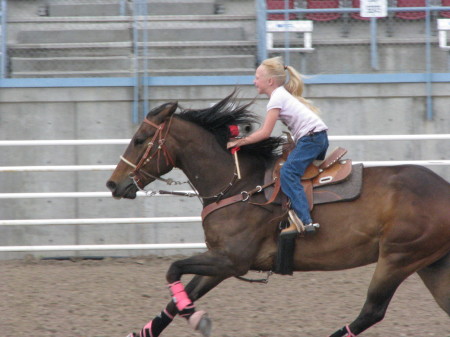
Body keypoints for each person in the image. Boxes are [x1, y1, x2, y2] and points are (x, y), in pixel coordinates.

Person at [227, 56, 329, 235]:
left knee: (288, 172)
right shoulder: (282, 94)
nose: (254, 81)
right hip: (318, 138)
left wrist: (239, 141)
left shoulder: (276, 99)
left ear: (270, 81)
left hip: (311, 139)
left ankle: (305, 220)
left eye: (257, 77)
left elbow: (265, 133)